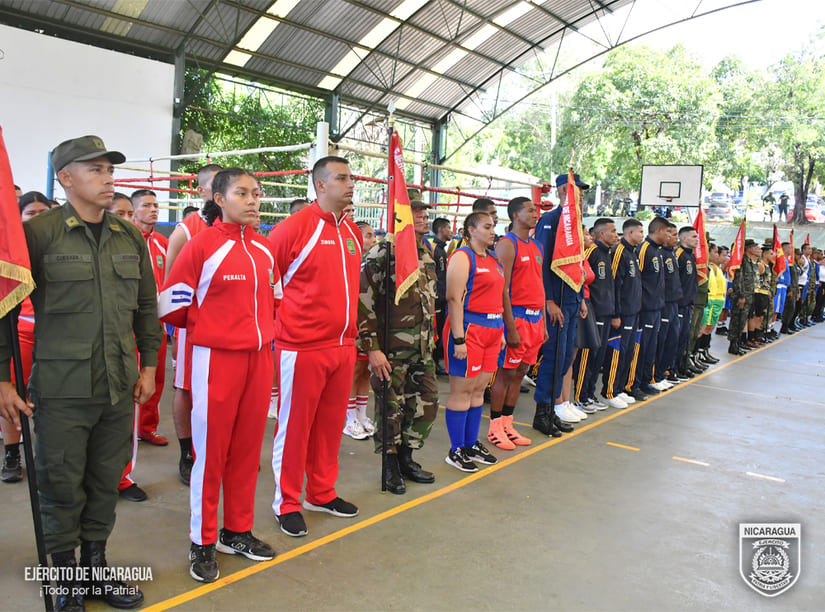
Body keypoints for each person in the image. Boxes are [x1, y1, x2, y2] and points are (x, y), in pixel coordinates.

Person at [0, 135, 161, 610]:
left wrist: (149, 365)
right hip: (61, 389)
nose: (108, 178)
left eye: (110, 169)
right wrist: (3, 379)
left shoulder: (127, 234)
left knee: (103, 481)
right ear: (66, 178)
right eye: (95, 170)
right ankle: (65, 577)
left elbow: (146, 307)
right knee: (59, 482)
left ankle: (96, 570)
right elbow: (4, 311)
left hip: (118, 383)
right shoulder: (39, 235)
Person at [159, 167, 279, 582]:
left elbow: (275, 301)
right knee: (210, 455)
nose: (252, 201)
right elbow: (171, 305)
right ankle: (202, 540)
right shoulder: (201, 246)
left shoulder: (265, 250)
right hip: (216, 360)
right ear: (220, 199)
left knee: (247, 451)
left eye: (257, 194)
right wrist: (214, 327)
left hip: (260, 359)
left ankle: (237, 531)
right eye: (242, 193)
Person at [268, 156, 362, 538]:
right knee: (294, 429)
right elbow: (264, 285)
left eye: (351, 178)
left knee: (328, 427)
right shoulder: (293, 230)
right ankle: (287, 502)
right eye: (342, 178)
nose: (351, 184)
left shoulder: (352, 233)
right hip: (301, 347)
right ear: (320, 185)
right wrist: (282, 326)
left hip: (343, 346)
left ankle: (321, 492)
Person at [358, 200, 439, 493]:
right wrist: (372, 349)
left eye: (424, 211)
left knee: (426, 406)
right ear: (399, 216)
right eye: (415, 211)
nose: (423, 216)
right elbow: (363, 302)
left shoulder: (425, 253)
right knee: (390, 410)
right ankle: (390, 465)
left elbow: (429, 301)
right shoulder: (382, 254)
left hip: (422, 347)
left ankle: (407, 457)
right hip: (391, 349)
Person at [165, 163, 222, 486]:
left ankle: (218, 449)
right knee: (186, 388)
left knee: (223, 392)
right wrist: (177, 329)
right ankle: (187, 453)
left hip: (231, 331)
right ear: (202, 191)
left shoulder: (238, 227)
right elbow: (171, 288)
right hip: (194, 330)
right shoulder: (186, 230)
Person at [442, 212, 504, 471]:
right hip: (469, 330)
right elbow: (454, 299)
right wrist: (458, 339)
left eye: (493, 227)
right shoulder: (462, 257)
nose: (492, 231)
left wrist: (499, 333)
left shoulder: (493, 259)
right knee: (462, 392)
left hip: (492, 330)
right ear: (471, 230)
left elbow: (499, 298)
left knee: (478, 391)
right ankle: (455, 450)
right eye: (487, 227)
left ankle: (470, 443)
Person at [1, 193, 51, 484]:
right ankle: (11, 453)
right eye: (31, 213)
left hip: (55, 335)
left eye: (43, 212)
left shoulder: (61, 245)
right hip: (21, 331)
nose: (37, 217)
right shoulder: (12, 253)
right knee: (13, 398)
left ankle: (48, 455)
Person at [533, 173, 589, 428]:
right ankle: (541, 413)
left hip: (571, 300)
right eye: (578, 189)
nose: (582, 195)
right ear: (565, 190)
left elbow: (576, 265)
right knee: (554, 357)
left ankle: (553, 409)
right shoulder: (551, 220)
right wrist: (548, 300)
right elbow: (541, 263)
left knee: (566, 358)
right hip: (555, 300)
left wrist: (580, 298)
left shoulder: (575, 223)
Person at [488, 197, 543, 447]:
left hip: (535, 319)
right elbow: (502, 289)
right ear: (515, 215)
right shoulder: (507, 245)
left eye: (535, 209)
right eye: (530, 210)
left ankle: (508, 424)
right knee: (506, 372)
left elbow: (538, 285)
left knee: (521, 372)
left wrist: (542, 325)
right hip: (517, 318)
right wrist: (509, 326)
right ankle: (494, 426)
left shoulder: (536, 246)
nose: (535, 213)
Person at [572, 218, 618, 413]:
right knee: (587, 356)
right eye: (613, 231)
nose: (617, 235)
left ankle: (590, 394)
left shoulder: (607, 254)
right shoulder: (591, 253)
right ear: (602, 234)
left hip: (606, 312)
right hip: (593, 310)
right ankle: (579, 397)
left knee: (598, 356)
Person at [601, 218, 643, 409]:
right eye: (640, 232)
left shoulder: (633, 253)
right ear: (631, 233)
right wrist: (616, 313)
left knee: (628, 351)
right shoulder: (619, 253)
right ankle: (609, 391)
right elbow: (615, 284)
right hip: (623, 313)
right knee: (617, 351)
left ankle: (619, 389)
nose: (642, 235)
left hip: (634, 312)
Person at [624, 216, 667, 400]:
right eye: (667, 231)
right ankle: (633, 384)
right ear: (658, 231)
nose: (668, 235)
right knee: (639, 348)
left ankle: (645, 379)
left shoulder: (657, 250)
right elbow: (637, 280)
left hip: (656, 307)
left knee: (651, 346)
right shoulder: (643, 250)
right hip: (644, 308)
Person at [344, 221, 378, 440]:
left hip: (370, 324)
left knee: (366, 370)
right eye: (368, 235)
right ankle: (348, 419)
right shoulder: (350, 263)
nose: (373, 240)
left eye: (374, 236)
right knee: (354, 372)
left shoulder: (372, 264)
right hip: (355, 324)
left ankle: (362, 414)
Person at [651, 221, 681, 391]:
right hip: (662, 304)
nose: (674, 237)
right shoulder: (659, 253)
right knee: (660, 341)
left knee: (672, 339)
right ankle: (654, 375)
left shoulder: (672, 254)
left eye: (676, 234)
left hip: (674, 303)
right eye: (672, 233)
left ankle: (662, 373)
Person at [675, 226, 702, 377]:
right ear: (684, 238)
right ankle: (672, 368)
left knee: (685, 337)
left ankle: (682, 366)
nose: (697, 240)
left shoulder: (691, 256)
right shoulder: (679, 254)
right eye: (693, 237)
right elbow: (674, 281)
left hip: (687, 304)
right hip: (678, 304)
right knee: (676, 338)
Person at [728, 239, 760, 354]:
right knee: (737, 320)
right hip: (741, 296)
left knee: (742, 321)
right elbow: (739, 280)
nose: (757, 249)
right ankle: (733, 344)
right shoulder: (741, 261)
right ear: (749, 249)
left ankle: (737, 343)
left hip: (748, 296)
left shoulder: (749, 261)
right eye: (755, 247)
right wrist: (741, 296)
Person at [428, 217, 451, 374]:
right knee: (435, 332)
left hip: (442, 298)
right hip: (436, 299)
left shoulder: (442, 249)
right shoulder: (434, 248)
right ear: (441, 230)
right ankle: (433, 364)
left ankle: (436, 364)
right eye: (449, 228)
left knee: (440, 330)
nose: (451, 231)